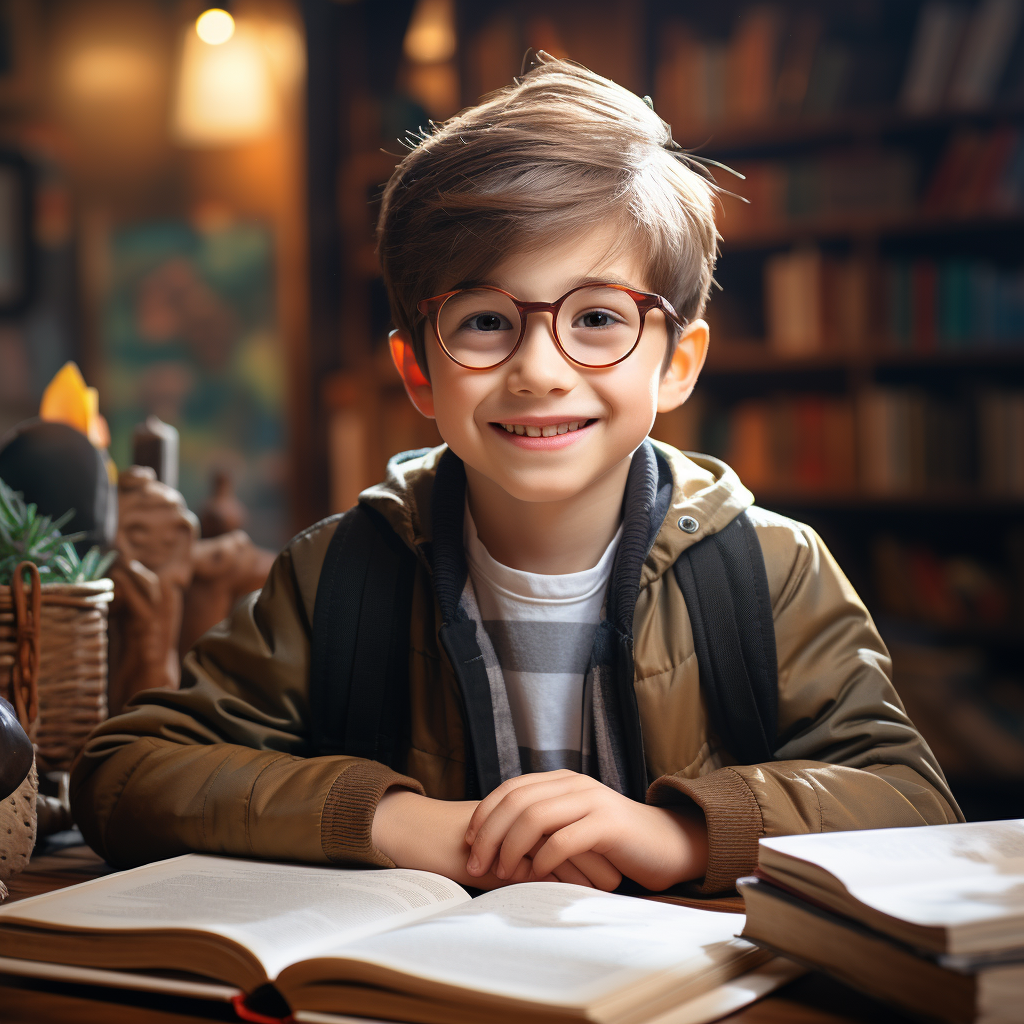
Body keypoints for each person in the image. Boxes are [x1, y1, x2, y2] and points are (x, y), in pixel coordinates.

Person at [70, 56, 961, 896]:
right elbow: (126, 778)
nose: (540, 369)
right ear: (419, 372)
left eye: (600, 317)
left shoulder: (769, 569)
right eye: (487, 321)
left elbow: (911, 801)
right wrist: (399, 822)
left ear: (678, 362)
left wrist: (682, 834)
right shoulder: (336, 572)